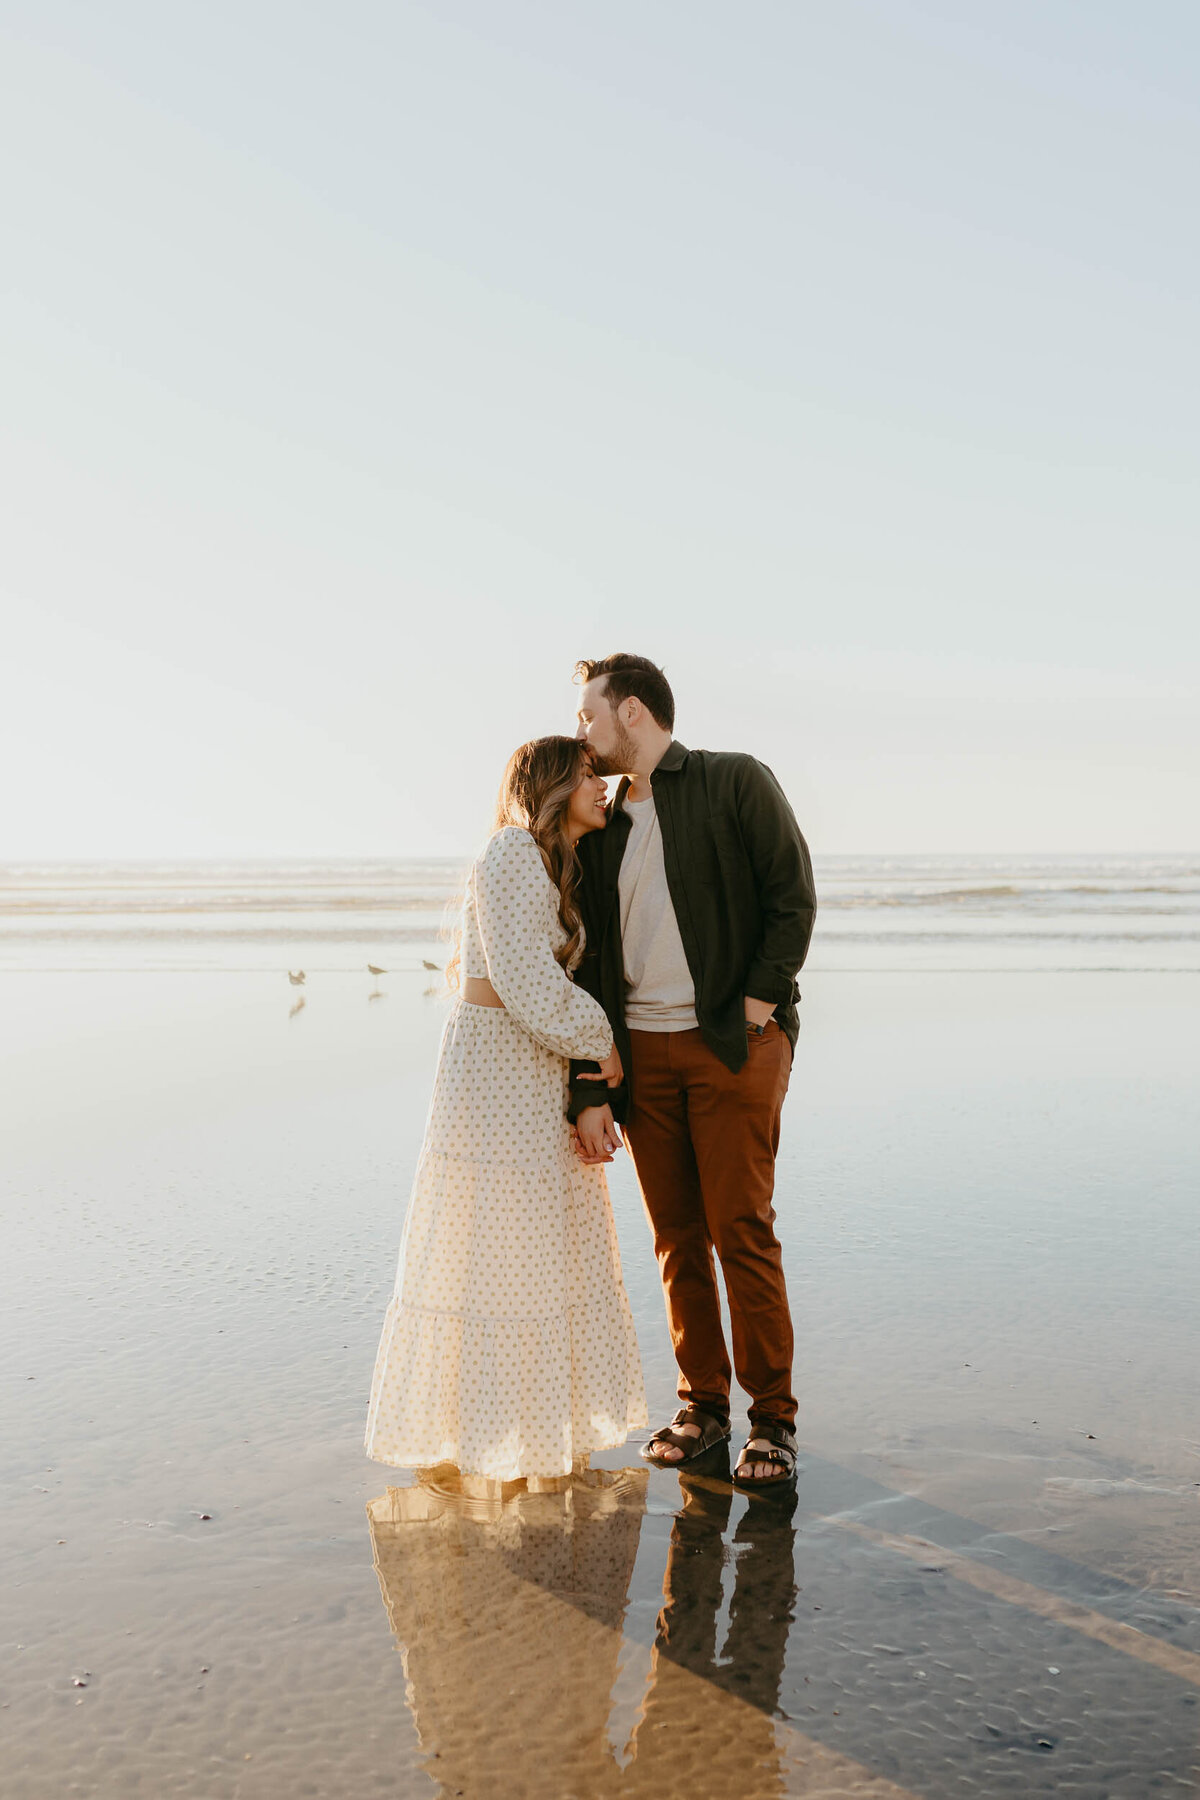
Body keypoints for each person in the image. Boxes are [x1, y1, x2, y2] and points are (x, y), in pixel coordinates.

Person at [364, 736, 647, 1486]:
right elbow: (523, 980)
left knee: (525, 1246)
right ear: (551, 785)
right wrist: (602, 1044)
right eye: (588, 775)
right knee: (500, 1245)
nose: (602, 786)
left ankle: (519, 1428)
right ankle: (490, 1437)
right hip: (499, 1074)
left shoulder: (549, 863)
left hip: (525, 1065)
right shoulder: (513, 850)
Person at [569, 654, 816, 1488]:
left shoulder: (733, 781)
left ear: (631, 713)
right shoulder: (602, 827)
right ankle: (703, 1406)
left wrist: (754, 1007)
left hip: (731, 1043)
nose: (582, 733)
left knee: (740, 1227)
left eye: (588, 717)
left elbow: (792, 895)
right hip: (644, 1053)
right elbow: (586, 959)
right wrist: (591, 1083)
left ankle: (773, 1422)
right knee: (677, 1238)